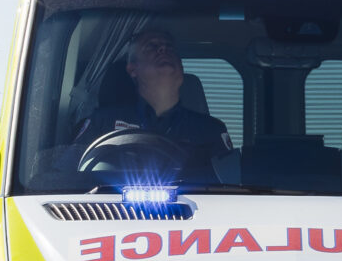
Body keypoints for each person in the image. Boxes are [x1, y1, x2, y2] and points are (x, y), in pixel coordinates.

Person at [72, 29, 231, 183]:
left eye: (169, 48)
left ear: (181, 68)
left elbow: (228, 191)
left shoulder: (211, 130)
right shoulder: (102, 122)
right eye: (151, 46)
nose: (163, 49)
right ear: (132, 69)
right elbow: (67, 176)